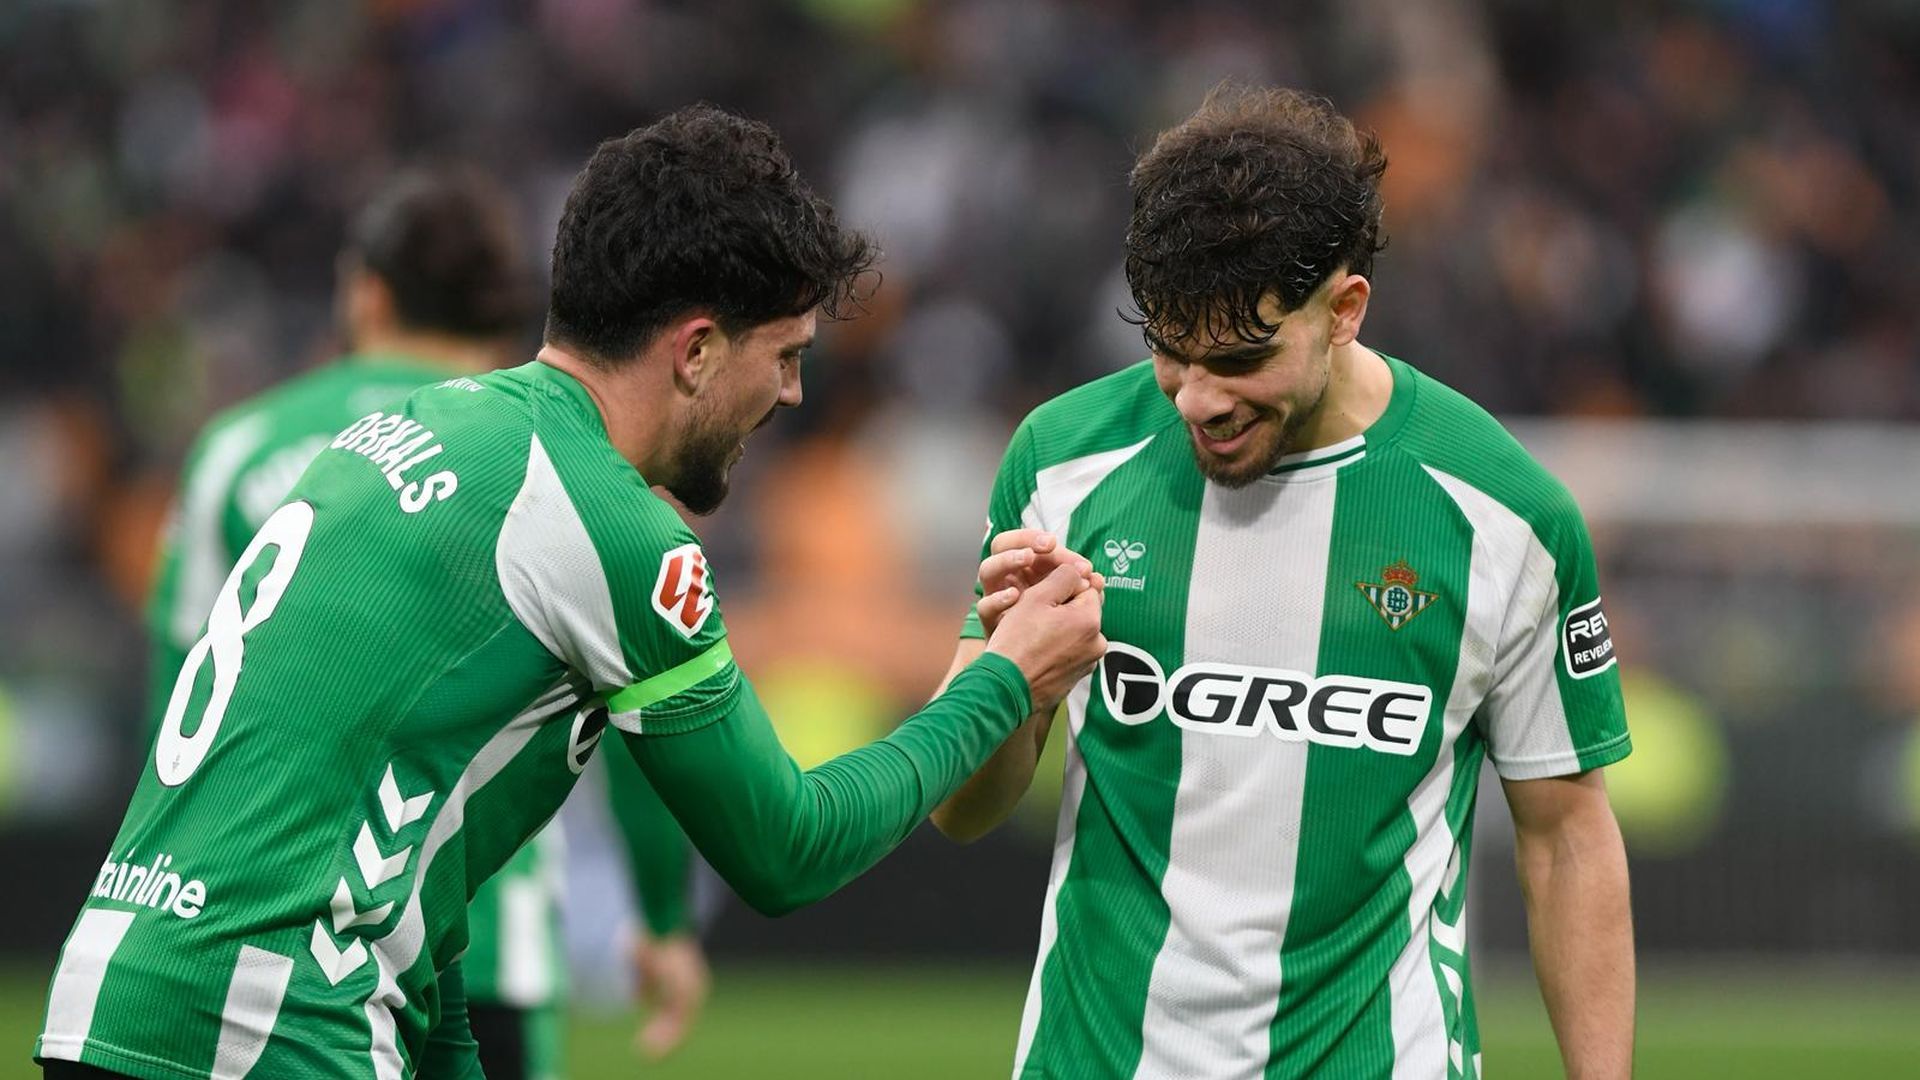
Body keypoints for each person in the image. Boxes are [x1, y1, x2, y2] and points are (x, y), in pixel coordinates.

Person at [37, 104, 1105, 1080]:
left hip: (115, 999)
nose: (790, 392)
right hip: (266, 1028)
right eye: (785, 354)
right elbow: (786, 848)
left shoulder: (407, 430)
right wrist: (1002, 679)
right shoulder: (602, 525)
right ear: (696, 351)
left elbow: (422, 866)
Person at [934, 84, 1634, 1080]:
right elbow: (961, 811)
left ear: (1344, 310)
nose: (1200, 400)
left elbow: (1566, 838)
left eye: (1241, 358)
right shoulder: (1062, 464)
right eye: (1171, 352)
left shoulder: (1507, 517)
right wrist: (1011, 679)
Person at [136, 166, 711, 1079]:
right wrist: (664, 917)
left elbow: (182, 712)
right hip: (490, 945)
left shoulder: (238, 451)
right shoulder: (562, 467)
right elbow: (649, 707)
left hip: (280, 946)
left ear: (367, 292)